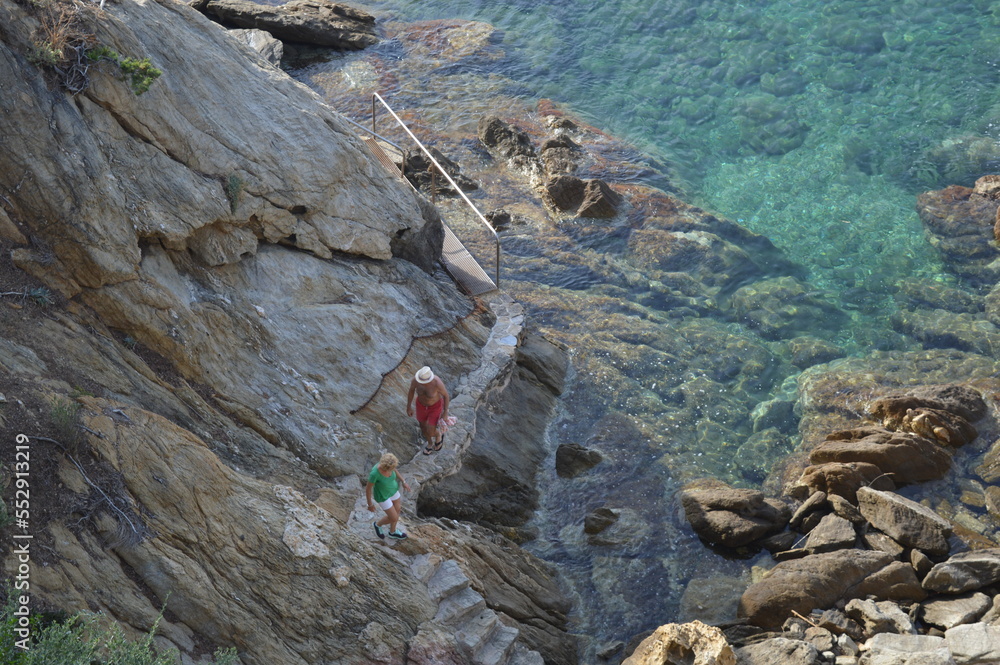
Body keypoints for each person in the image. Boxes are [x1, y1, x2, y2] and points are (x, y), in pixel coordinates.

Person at [365, 453, 411, 540]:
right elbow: (368, 489)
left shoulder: (390, 466)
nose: (393, 470)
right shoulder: (375, 474)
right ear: (385, 467)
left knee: (397, 510)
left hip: (393, 490)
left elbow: (395, 470)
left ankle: (392, 532)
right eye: (391, 469)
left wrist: (403, 481)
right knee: (394, 518)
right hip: (382, 496)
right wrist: (370, 504)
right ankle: (377, 525)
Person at [407, 365, 450, 455]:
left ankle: (438, 434)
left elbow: (446, 395)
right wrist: (409, 406)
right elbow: (411, 391)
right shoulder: (415, 380)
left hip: (435, 407)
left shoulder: (437, 382)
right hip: (421, 406)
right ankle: (430, 443)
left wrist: (445, 411)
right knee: (423, 427)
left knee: (430, 430)